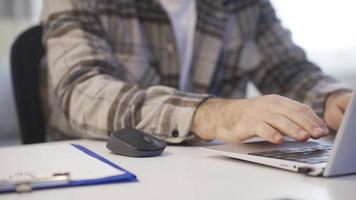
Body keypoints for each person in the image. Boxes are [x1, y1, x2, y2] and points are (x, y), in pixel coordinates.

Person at [41, 0, 352, 144]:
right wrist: (212, 114)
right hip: (102, 172)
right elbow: (83, 91)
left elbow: (287, 70)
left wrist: (332, 100)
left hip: (215, 176)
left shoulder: (244, 6)